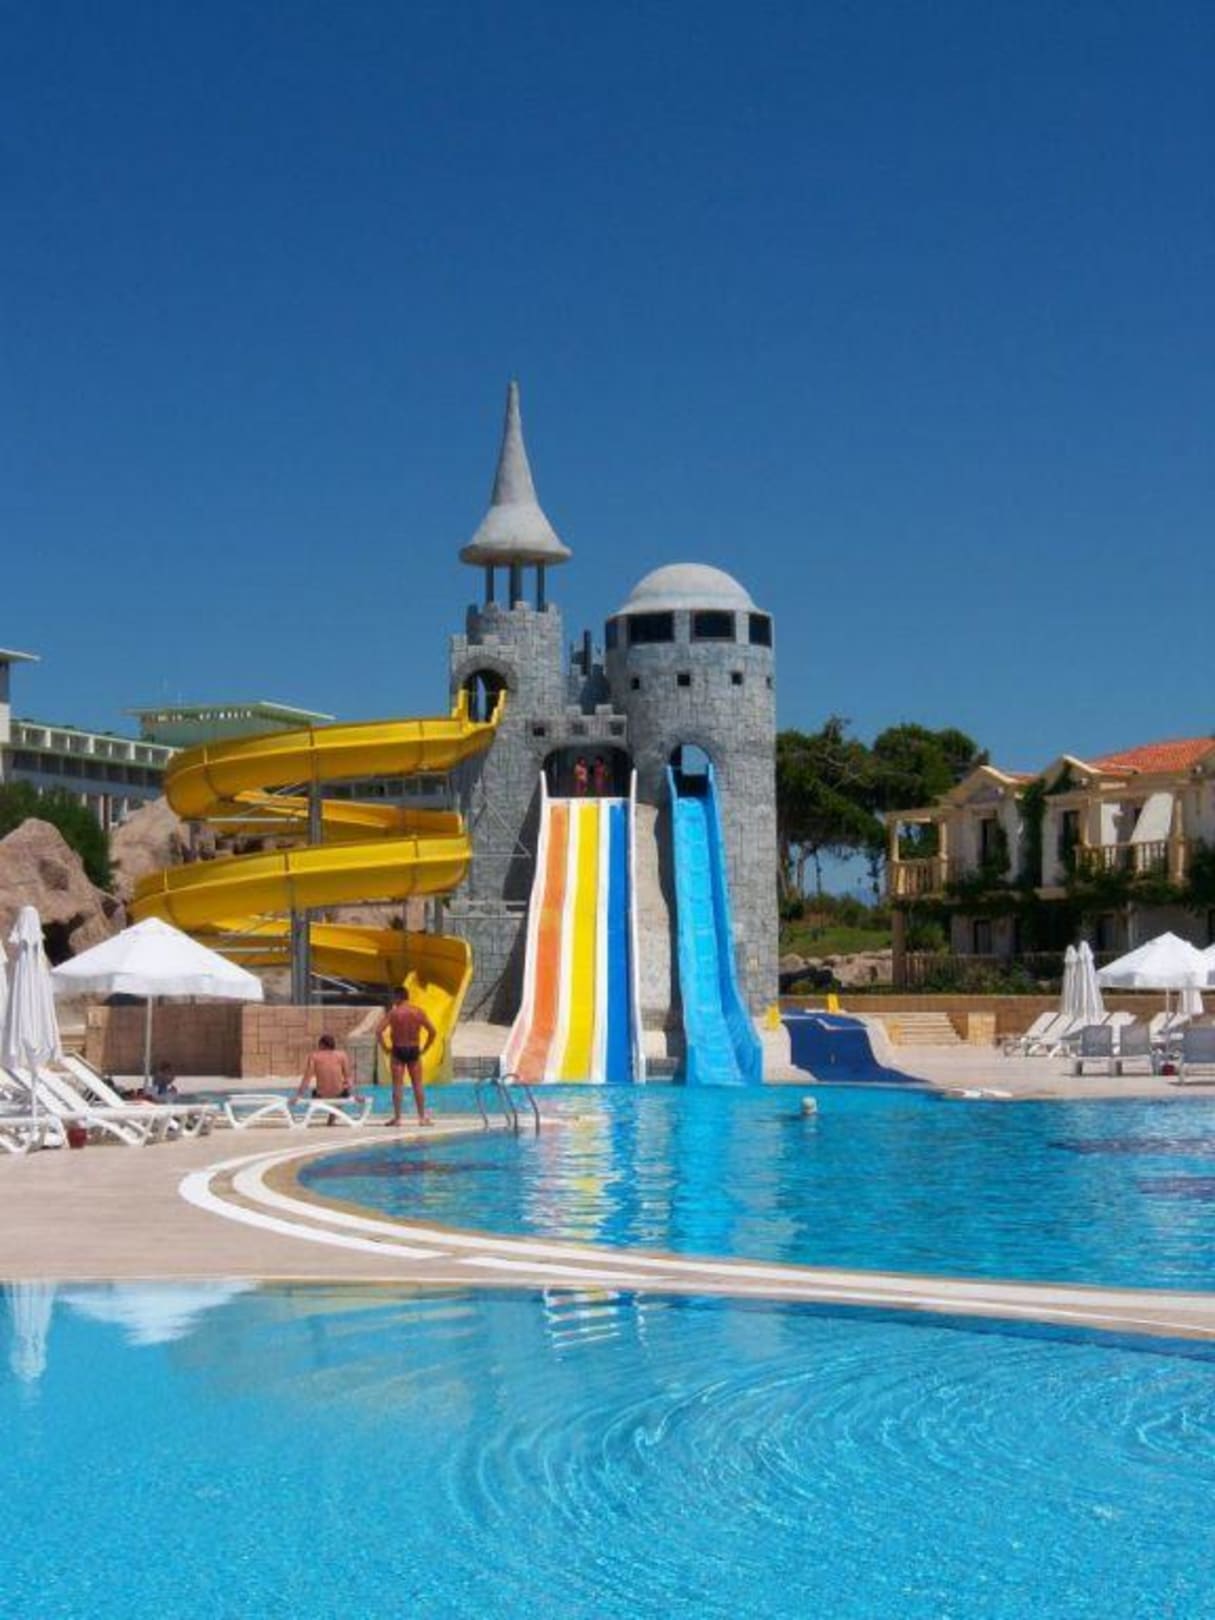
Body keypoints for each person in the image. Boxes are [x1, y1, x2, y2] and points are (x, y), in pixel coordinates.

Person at [374, 987, 437, 1127]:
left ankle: (398, 1119)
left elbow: (378, 1031)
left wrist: (385, 1047)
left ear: (398, 997)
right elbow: (433, 1031)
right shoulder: (418, 1012)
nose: (393, 1000)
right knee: (418, 1085)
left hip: (398, 1049)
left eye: (394, 997)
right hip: (414, 1049)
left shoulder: (393, 1013)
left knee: (397, 1085)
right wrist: (426, 1047)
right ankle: (422, 1118)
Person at [295, 1034, 358, 1112]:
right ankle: (332, 1116)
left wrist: (298, 1096)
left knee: (314, 1092)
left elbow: (307, 1079)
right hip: (339, 1095)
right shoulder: (342, 1055)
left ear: (321, 1045)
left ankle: (328, 1115)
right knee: (343, 1089)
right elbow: (348, 1077)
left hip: (321, 1096)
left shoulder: (314, 1056)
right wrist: (356, 1095)